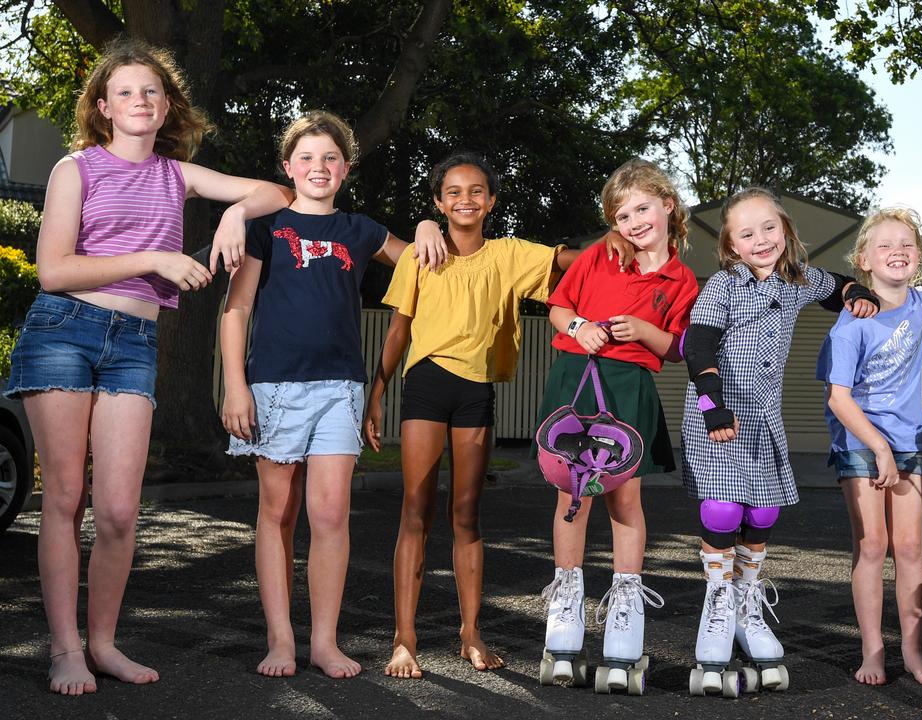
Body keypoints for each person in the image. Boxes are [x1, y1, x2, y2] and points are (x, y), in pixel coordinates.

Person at [3, 37, 293, 696]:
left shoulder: (177, 175)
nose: (141, 99)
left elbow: (275, 191)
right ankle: (66, 648)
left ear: (166, 109)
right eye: (126, 91)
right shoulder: (75, 169)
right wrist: (154, 260)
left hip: (134, 342)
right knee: (67, 499)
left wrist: (235, 217)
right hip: (64, 334)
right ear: (103, 107)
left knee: (117, 512)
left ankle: (103, 643)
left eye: (152, 91)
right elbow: (54, 270)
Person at [219, 110, 443, 680]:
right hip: (272, 386)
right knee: (277, 511)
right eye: (307, 158)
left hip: (340, 387)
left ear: (344, 169)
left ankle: (323, 641)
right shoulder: (266, 229)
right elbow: (237, 308)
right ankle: (279, 641)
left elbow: (419, 261)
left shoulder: (358, 231)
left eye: (330, 158)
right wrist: (235, 385)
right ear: (288, 167)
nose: (319, 167)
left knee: (330, 513)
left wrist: (423, 225)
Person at [364, 152, 588, 678]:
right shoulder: (420, 256)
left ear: (491, 201)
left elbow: (565, 261)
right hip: (424, 386)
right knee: (415, 509)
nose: (465, 199)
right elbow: (398, 330)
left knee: (466, 514)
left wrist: (618, 243)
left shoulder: (510, 255)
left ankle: (469, 633)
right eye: (454, 192)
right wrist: (377, 391)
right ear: (439, 202)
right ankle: (405, 638)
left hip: (476, 392)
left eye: (476, 191)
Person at [679, 187, 882, 695]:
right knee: (724, 511)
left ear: (786, 230)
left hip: (763, 414)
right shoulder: (724, 285)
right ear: (731, 245)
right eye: (747, 233)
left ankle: (747, 602)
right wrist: (711, 403)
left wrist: (859, 293)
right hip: (718, 409)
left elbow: (837, 286)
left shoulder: (798, 280)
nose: (761, 239)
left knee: (762, 515)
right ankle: (718, 605)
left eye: (769, 228)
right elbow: (698, 342)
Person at [537, 158, 698, 692]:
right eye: (622, 214)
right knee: (570, 495)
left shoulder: (682, 278)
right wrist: (580, 326)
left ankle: (626, 611)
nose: (632, 222)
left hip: (628, 388)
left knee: (623, 499)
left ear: (667, 206)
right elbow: (558, 308)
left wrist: (647, 329)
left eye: (642, 209)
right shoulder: (600, 254)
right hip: (576, 380)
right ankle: (564, 615)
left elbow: (677, 348)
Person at [818, 207, 922, 686]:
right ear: (864, 260)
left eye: (907, 245)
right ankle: (873, 651)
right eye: (886, 245)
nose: (898, 252)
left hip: (908, 439)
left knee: (910, 546)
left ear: (919, 259)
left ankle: (912, 650)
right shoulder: (851, 324)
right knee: (873, 545)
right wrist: (878, 448)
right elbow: (839, 398)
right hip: (859, 440)